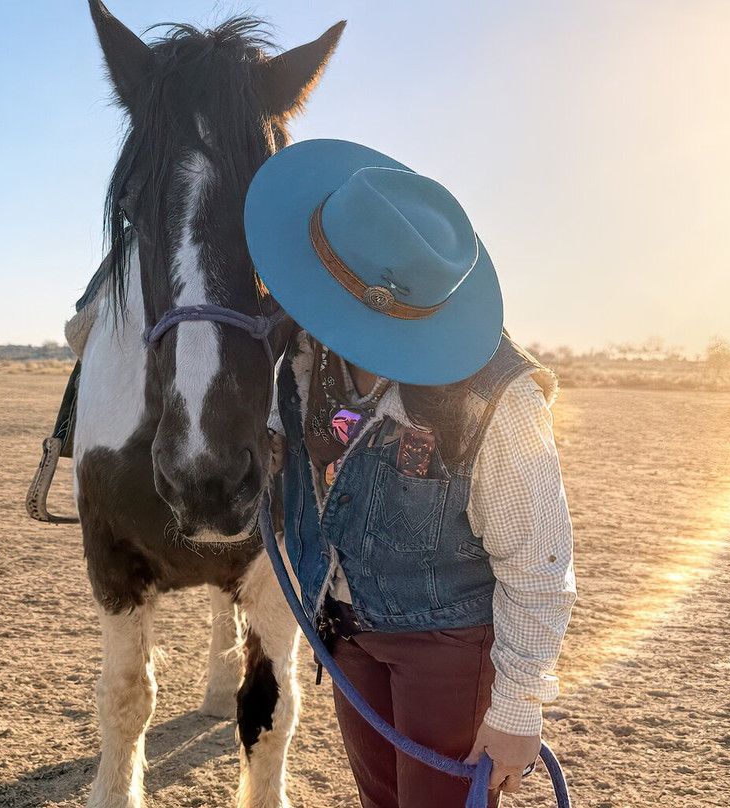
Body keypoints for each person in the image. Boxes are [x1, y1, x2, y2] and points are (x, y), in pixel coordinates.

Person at [245, 139, 576, 808]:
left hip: (447, 644)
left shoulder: (499, 400)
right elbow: (341, 431)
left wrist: (516, 709)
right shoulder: (318, 356)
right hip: (346, 629)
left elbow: (538, 560)